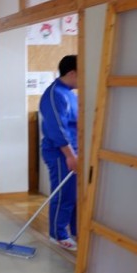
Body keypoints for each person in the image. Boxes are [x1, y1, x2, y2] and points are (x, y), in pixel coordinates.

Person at [39, 55, 79, 251]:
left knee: (76, 194)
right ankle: (58, 234)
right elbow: (57, 128)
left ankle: (76, 230)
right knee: (64, 194)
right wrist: (70, 155)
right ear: (72, 73)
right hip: (60, 152)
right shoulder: (55, 94)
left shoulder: (70, 93)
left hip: (74, 151)